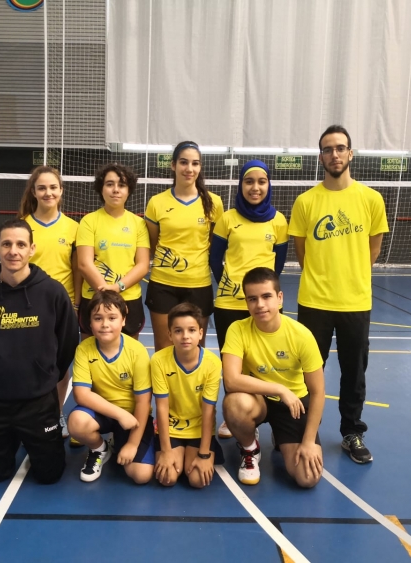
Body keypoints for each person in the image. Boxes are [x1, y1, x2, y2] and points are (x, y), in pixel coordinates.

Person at [288, 124, 389, 464]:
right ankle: (304, 430)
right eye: (328, 149)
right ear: (321, 157)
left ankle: (351, 432)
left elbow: (373, 250)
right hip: (314, 301)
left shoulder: (371, 199)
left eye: (340, 148)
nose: (335, 154)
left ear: (350, 153)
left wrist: (350, 277)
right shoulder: (305, 202)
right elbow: (302, 252)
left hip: (355, 302)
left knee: (354, 372)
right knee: (307, 370)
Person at [0, 218, 78, 484]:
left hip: (38, 402)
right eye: (6, 244)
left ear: (32, 249)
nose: (13, 251)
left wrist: (45, 375)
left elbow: (68, 342)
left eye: (20, 244)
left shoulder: (53, 292)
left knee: (49, 476)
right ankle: (10, 436)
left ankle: (26, 436)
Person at [222, 267, 325, 488]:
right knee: (235, 403)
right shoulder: (237, 330)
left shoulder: (301, 335)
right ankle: (250, 449)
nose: (260, 304)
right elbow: (231, 380)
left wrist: (308, 441)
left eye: (266, 296)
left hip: (294, 405)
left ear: (279, 298)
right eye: (252, 299)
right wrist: (280, 389)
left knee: (307, 478)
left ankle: (281, 435)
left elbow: (318, 392)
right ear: (247, 302)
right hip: (259, 400)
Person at [209, 159, 288, 439]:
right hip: (229, 305)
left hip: (266, 305)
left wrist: (263, 294)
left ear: (269, 185)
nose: (255, 187)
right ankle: (237, 417)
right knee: (234, 364)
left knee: (265, 360)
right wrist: (232, 287)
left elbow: (278, 264)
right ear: (241, 185)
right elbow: (215, 260)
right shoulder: (227, 219)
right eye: (249, 181)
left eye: (261, 182)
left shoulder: (279, 221)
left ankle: (272, 417)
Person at [18, 165, 81, 439]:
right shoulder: (23, 227)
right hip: (28, 307)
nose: (48, 192)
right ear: (33, 192)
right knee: (28, 364)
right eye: (42, 188)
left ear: (61, 190)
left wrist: (75, 305)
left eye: (53, 187)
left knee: (60, 365)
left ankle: (56, 414)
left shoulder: (74, 228)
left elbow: (77, 270)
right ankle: (28, 415)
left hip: (62, 308)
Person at [66, 290, 155, 484]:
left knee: (141, 476)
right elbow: (81, 395)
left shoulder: (137, 351)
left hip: (133, 417)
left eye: (112, 318)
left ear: (123, 320)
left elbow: (143, 402)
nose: (105, 324)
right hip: (104, 412)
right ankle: (100, 449)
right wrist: (119, 414)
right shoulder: (84, 349)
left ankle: (123, 440)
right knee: (77, 422)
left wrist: (132, 444)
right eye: (98, 318)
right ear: (90, 323)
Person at [145, 141, 224, 351]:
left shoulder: (214, 203)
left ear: (200, 167)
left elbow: (212, 243)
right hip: (163, 284)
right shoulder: (156, 203)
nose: (189, 168)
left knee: (194, 349)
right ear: (173, 165)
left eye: (195, 163)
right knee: (164, 349)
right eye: (183, 162)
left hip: (198, 284)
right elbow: (153, 244)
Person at [151, 303, 224, 488]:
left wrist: (204, 454)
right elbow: (162, 407)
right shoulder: (158, 360)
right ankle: (176, 452)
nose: (185, 336)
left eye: (191, 330)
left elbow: (208, 411)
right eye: (178, 331)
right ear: (170, 334)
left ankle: (196, 452)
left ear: (200, 333)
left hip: (199, 428)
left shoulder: (213, 363)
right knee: (167, 478)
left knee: (197, 480)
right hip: (172, 427)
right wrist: (166, 451)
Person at [77, 163, 150, 341]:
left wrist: (117, 287)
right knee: (90, 352)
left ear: (128, 190)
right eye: (110, 184)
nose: (116, 189)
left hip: (128, 298)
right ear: (101, 188)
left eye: (121, 185)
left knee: (128, 352)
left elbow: (142, 265)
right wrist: (106, 294)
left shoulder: (138, 224)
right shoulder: (89, 221)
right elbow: (84, 263)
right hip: (94, 297)